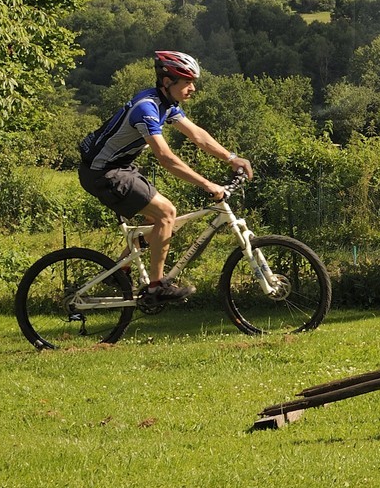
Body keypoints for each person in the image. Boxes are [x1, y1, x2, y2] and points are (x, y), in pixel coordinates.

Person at [77, 50, 253, 302]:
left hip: (119, 168)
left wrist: (231, 158)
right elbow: (166, 158)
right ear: (168, 82)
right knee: (167, 213)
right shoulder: (146, 109)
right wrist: (207, 184)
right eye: (187, 82)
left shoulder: (166, 104)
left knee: (158, 222)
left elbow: (197, 134)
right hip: (104, 173)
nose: (192, 88)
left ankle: (120, 272)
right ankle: (155, 287)